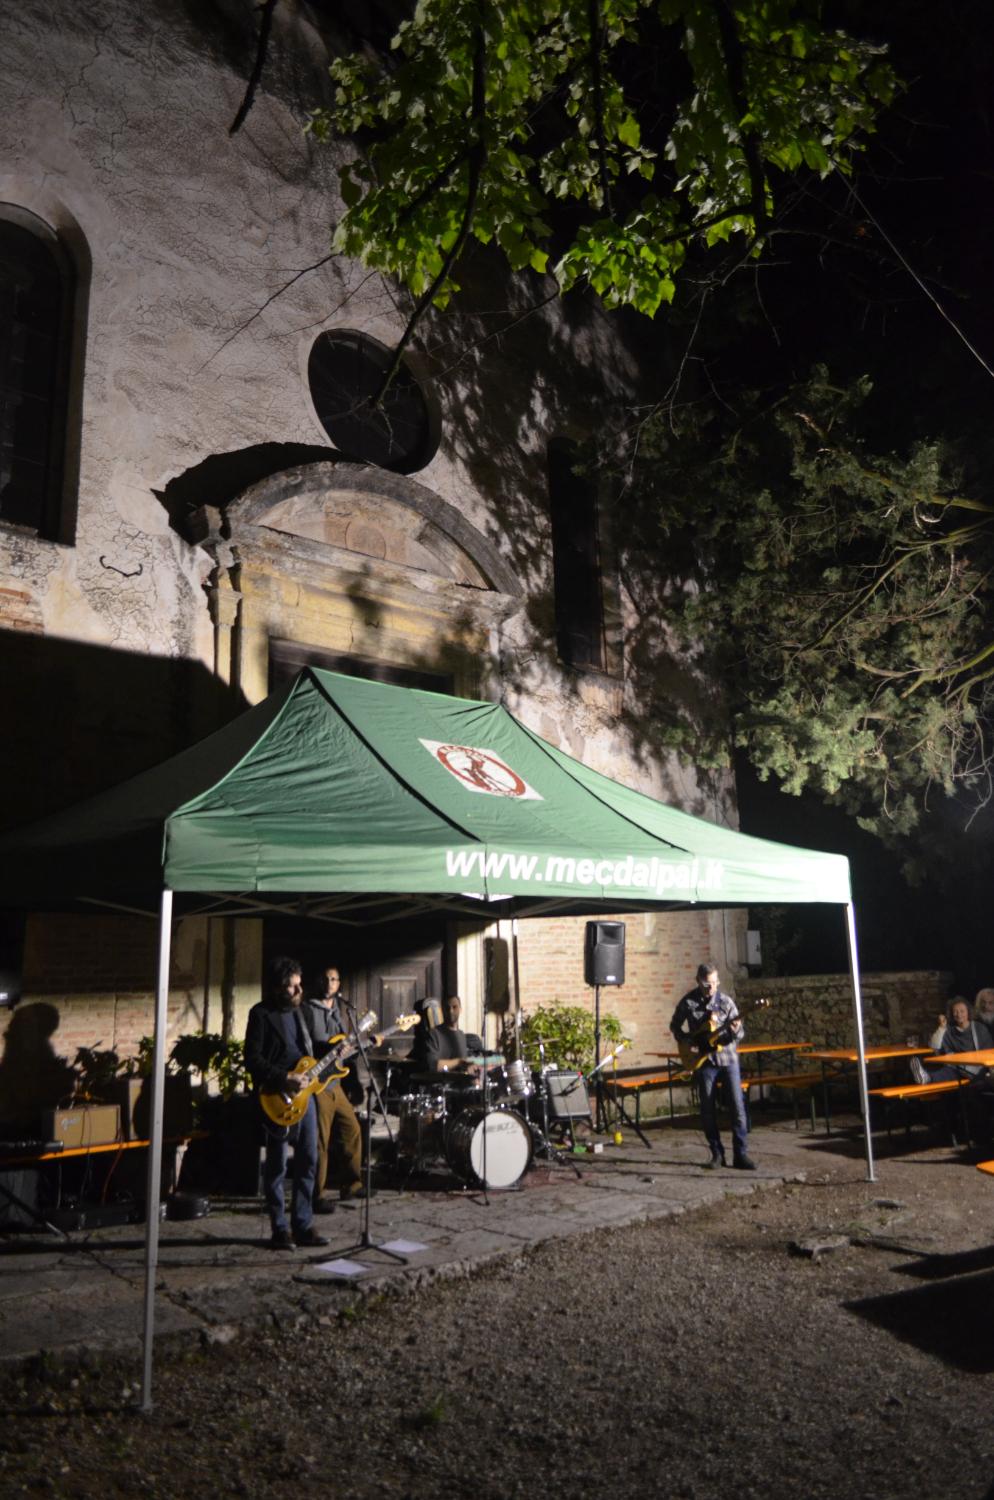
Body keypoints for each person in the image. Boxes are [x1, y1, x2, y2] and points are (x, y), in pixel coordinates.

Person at [244, 955, 329, 1250]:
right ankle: (279, 1228)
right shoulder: (260, 1014)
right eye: (291, 987)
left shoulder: (301, 1013)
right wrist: (284, 1078)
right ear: (278, 987)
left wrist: (340, 1049)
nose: (298, 991)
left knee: (309, 1160)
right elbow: (252, 1059)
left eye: (299, 985)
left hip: (306, 1097)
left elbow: (311, 1051)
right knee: (277, 1165)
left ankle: (303, 1225)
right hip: (277, 1098)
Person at [670, 962, 756, 1170]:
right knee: (707, 1110)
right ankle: (717, 1154)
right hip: (704, 1061)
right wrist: (687, 1041)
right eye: (708, 984)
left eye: (715, 983)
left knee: (737, 1107)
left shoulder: (726, 1003)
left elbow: (740, 1034)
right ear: (699, 981)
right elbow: (674, 1025)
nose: (712, 988)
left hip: (728, 1060)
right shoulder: (688, 1002)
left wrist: (735, 1031)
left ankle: (740, 1154)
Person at [301, 965, 364, 1209]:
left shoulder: (340, 1012)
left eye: (335, 979)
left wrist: (360, 1047)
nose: (330, 983)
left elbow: (342, 1054)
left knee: (353, 1129)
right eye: (326, 978)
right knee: (320, 1140)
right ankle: (315, 1194)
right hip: (317, 1083)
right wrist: (323, 1050)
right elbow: (304, 1044)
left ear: (339, 985)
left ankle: (352, 1185)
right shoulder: (307, 1010)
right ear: (319, 982)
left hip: (335, 1082)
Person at [911, 998, 994, 1083]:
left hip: (979, 1069)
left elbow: (989, 1052)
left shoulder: (979, 1028)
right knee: (949, 1071)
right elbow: (934, 1046)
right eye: (955, 1011)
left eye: (962, 1011)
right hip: (958, 1068)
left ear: (968, 1012)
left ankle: (927, 1077)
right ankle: (925, 1077)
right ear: (951, 1014)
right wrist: (942, 1027)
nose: (959, 1014)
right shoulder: (949, 1031)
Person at [424, 995, 484, 1077]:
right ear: (442, 1011)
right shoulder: (434, 1034)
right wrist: (459, 1062)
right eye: (447, 1008)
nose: (451, 1011)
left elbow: (463, 1069)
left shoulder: (461, 1036)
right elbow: (433, 1065)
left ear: (460, 1009)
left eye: (454, 1007)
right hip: (441, 1085)